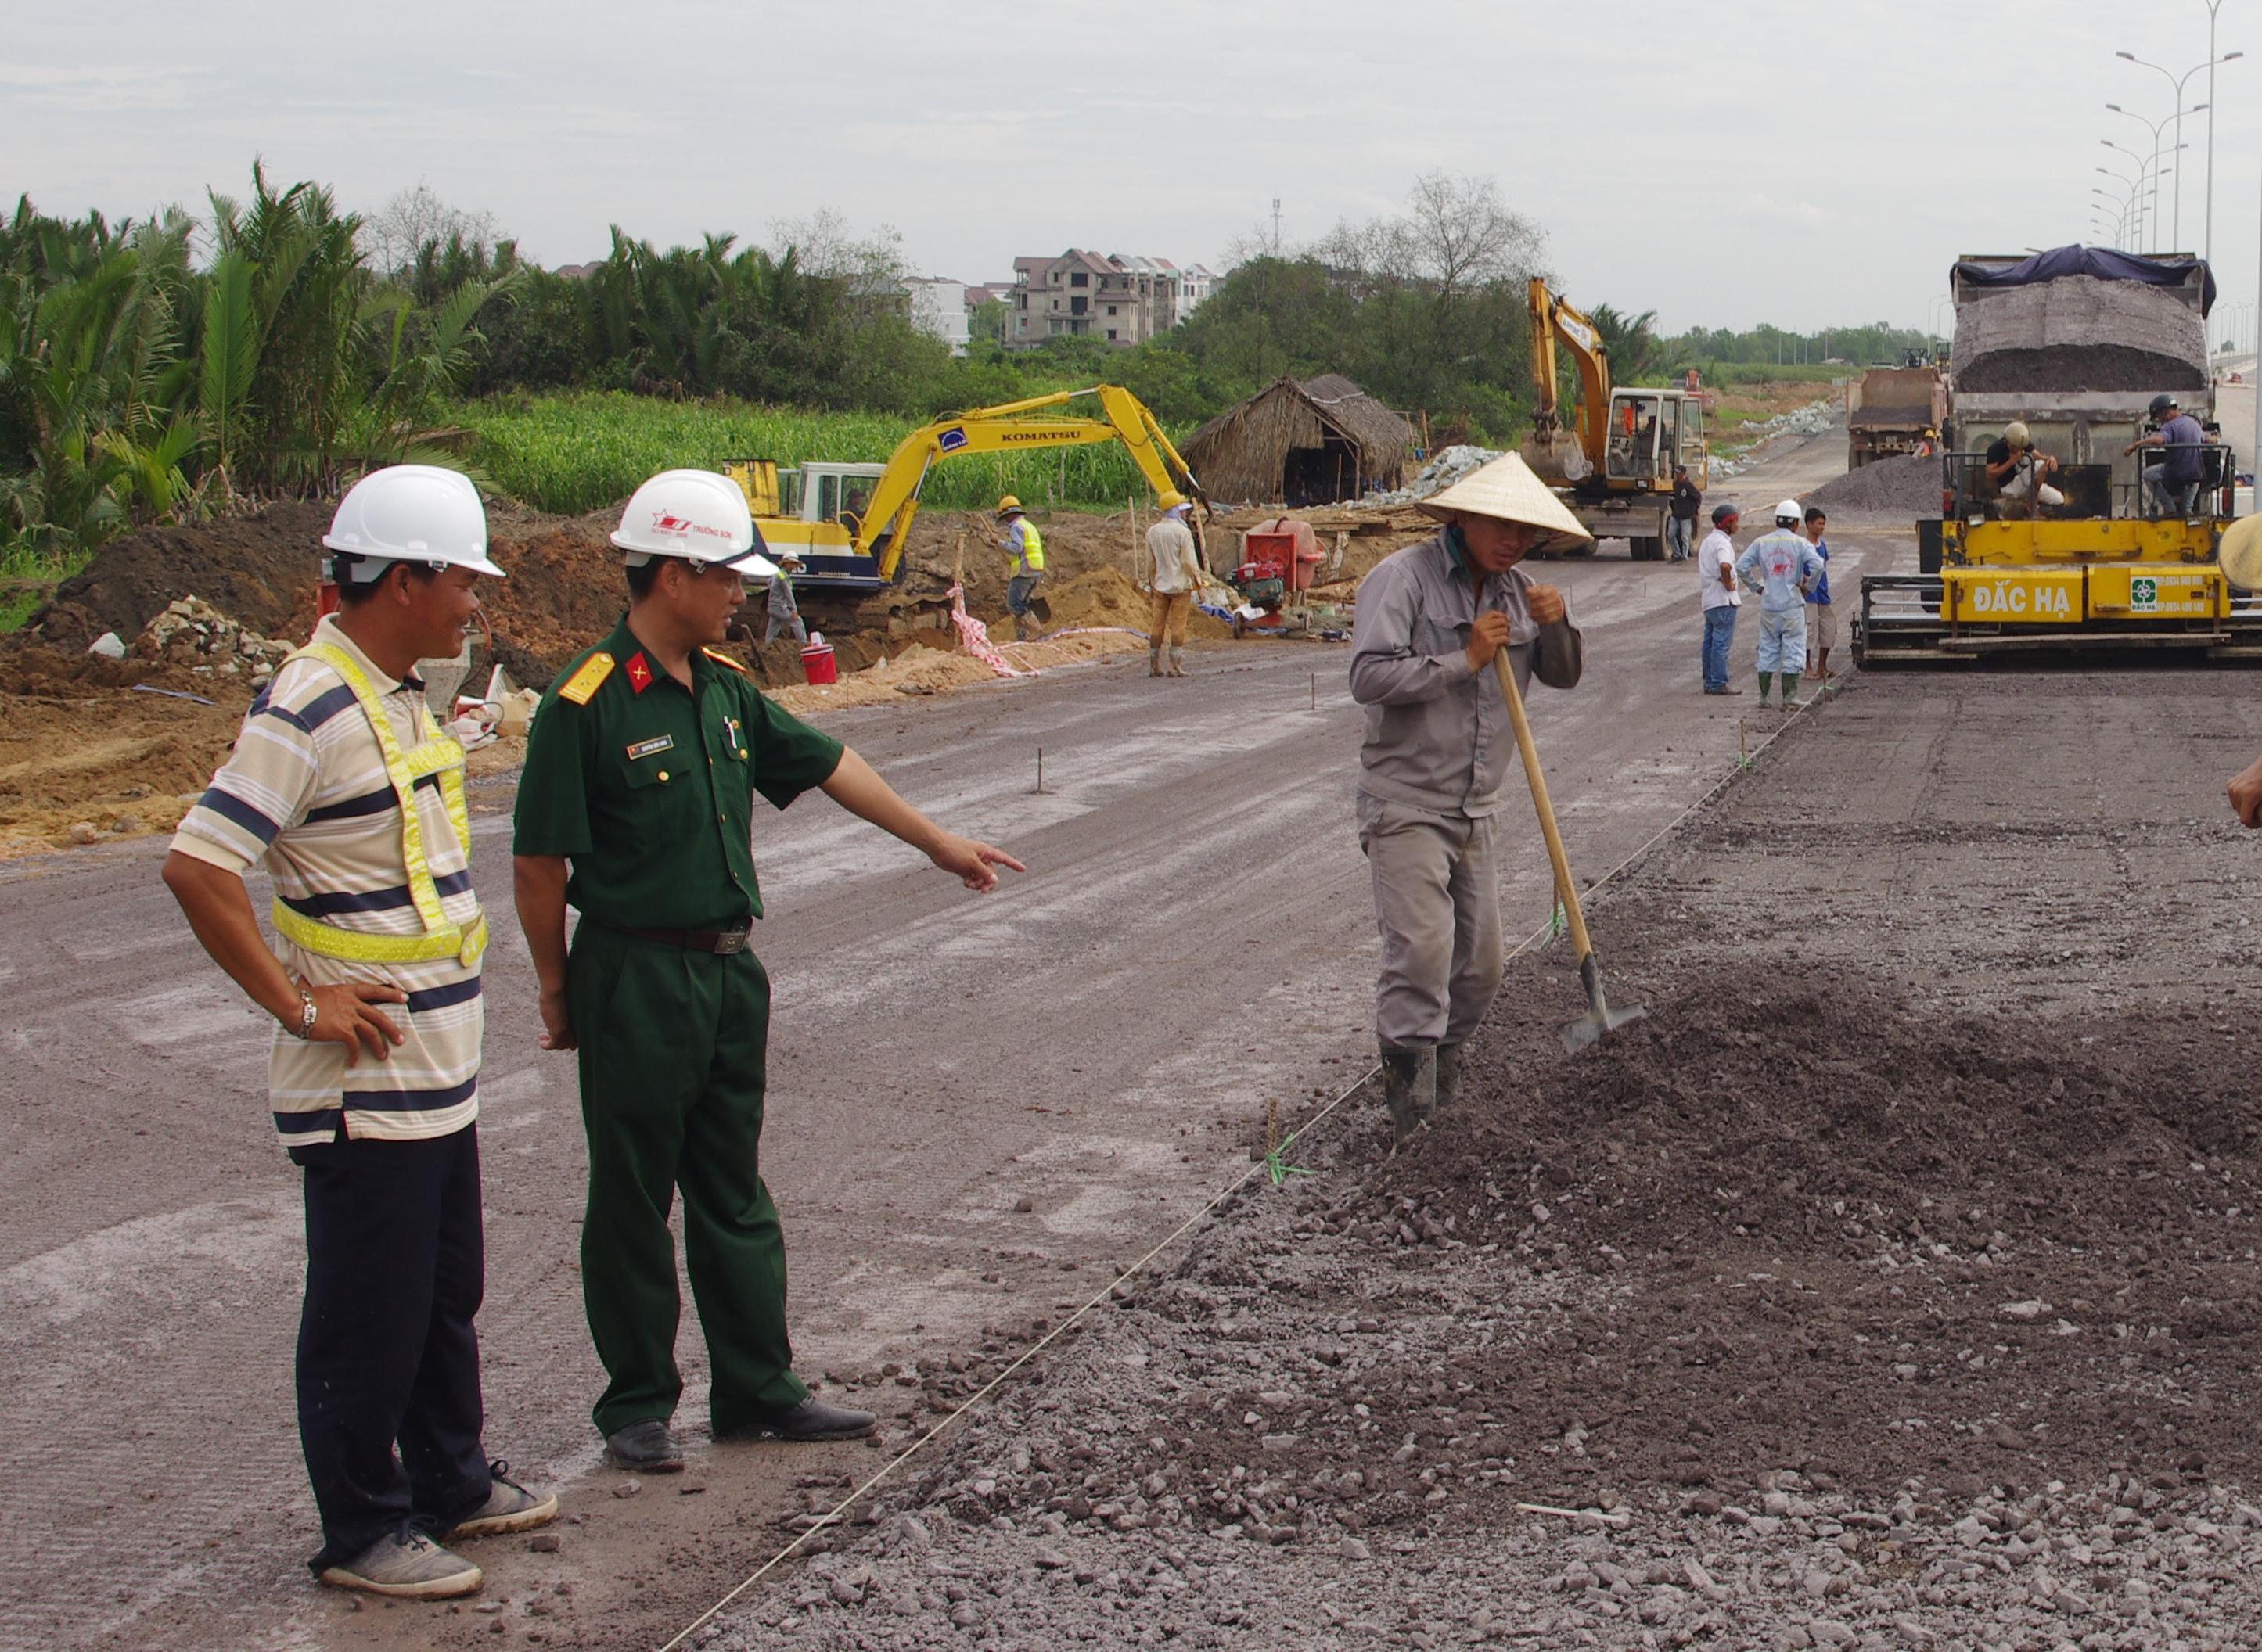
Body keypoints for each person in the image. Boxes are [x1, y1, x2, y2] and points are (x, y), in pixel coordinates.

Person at [512, 469, 1025, 1475]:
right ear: (667, 575)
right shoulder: (586, 702)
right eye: (723, 578)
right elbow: (539, 862)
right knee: (630, 1195)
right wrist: (554, 988)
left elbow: (832, 765)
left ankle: (756, 1387)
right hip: (634, 974)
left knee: (731, 1190)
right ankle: (637, 1405)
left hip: (725, 973)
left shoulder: (727, 692)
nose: (740, 595)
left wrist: (936, 842)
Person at [161, 466, 554, 1600]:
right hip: (363, 1083)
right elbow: (199, 863)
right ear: (402, 579)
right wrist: (296, 1000)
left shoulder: (392, 691)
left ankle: (452, 1481)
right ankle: (363, 1530)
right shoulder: (310, 703)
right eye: (461, 582)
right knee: (366, 1316)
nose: (474, 604)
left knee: (441, 1296)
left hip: (438, 1072)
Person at [1347, 453, 1585, 1146]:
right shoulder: (1403, 578)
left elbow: (1562, 676)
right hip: (1406, 802)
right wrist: (1465, 660)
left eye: (1524, 530)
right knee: (1421, 953)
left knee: (1480, 967)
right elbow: (1367, 677)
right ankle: (1411, 1112)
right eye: (1498, 525)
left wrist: (1559, 624)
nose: (1511, 541)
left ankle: (1441, 1082)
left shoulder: (1520, 591)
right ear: (1462, 516)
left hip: (1475, 804)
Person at [1735, 497, 1827, 708]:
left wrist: (1756, 587)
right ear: (1795, 524)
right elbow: (1818, 566)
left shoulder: (1761, 542)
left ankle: (1764, 697)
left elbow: (1741, 567)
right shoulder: (1800, 544)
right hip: (1792, 604)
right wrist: (1808, 587)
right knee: (1794, 649)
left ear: (1777, 520)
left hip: (1769, 605)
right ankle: (1789, 696)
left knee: (1767, 649)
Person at [2124, 393, 2208, 518]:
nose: (2160, 421)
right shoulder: (2194, 424)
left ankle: (2169, 508)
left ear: (2165, 412)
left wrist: (2135, 445)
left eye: (2159, 417)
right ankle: (2188, 509)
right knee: (2194, 477)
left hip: (2176, 472)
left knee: (2148, 474)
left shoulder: (2170, 426)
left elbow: (2159, 440)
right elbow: (2206, 439)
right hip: (2196, 473)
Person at [1145, 497, 1203, 678]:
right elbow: (1189, 562)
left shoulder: (1152, 532)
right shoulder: (1182, 532)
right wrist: (1199, 585)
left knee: (1157, 625)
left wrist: (1151, 583)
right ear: (1176, 511)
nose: (1185, 514)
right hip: (1180, 587)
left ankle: (1154, 665)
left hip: (1160, 586)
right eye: (1183, 511)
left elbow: (1150, 563)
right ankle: (1174, 666)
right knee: (1178, 626)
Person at [1697, 502, 1742, 695]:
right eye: (1735, 521)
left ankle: (1709, 679)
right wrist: (1728, 584)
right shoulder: (1723, 543)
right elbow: (1725, 566)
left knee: (1710, 641)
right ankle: (1717, 682)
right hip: (1723, 599)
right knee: (1721, 643)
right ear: (1727, 523)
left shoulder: (1708, 541)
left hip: (1709, 599)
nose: (1738, 526)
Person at [1983, 422, 2064, 518]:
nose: (2016, 449)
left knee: (2058, 499)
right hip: (2009, 486)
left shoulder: (2023, 442)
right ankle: (2031, 504)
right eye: (2013, 447)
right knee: (2041, 465)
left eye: (2019, 447)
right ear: (2007, 440)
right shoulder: (1995, 449)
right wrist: (2011, 462)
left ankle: (2030, 500)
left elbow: (2039, 457)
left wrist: (2050, 459)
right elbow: (1990, 474)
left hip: (2026, 484)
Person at [996, 494, 1046, 640]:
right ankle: (1022, 637)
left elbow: (1017, 548)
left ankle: (1036, 630)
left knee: (1014, 605)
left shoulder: (1016, 528)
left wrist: (999, 543)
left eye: (1006, 517)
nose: (1005, 521)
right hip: (1035, 570)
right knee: (1022, 604)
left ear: (1010, 515)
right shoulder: (1029, 526)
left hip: (1024, 572)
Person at [1802, 506, 1837, 685]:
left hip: (1823, 594)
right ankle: (1807, 667)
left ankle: (1821, 667)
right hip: (1809, 596)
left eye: (1824, 524)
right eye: (1819, 524)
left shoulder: (1822, 545)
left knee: (1828, 630)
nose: (1822, 527)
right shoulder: (1802, 546)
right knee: (1809, 632)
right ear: (1809, 524)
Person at [764, 551, 807, 645]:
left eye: (795, 564)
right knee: (797, 621)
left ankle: (767, 647)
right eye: (792, 564)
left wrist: (775, 594)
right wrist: (793, 610)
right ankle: (803, 645)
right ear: (786, 563)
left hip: (772, 606)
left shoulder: (778, 573)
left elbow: (769, 582)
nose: (794, 567)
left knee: (772, 629)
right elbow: (788, 593)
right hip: (779, 607)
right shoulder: (783, 576)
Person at [1667, 464, 1701, 562]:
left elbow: (1698, 497)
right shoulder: (1675, 484)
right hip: (1676, 515)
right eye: (1676, 473)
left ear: (1683, 474)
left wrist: (1695, 510)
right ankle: (1677, 554)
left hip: (1686, 516)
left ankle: (1684, 556)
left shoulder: (1689, 485)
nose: (1677, 475)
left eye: (1678, 473)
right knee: (1671, 535)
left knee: (1684, 536)